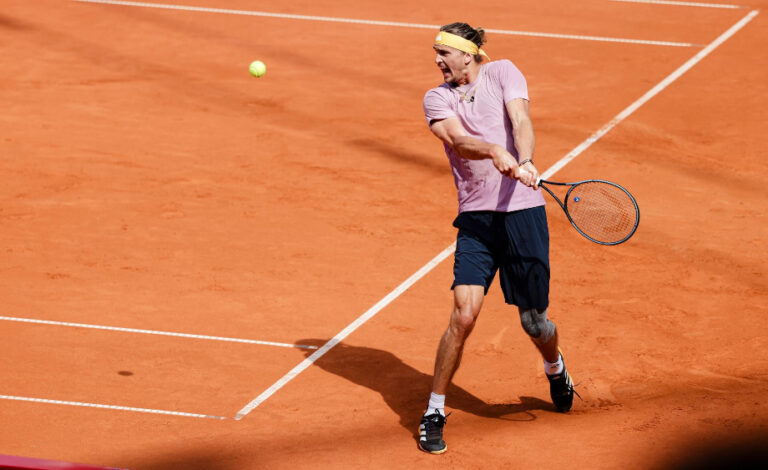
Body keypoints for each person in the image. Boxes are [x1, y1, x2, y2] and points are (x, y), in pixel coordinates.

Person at [418, 22, 577, 455]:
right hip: (477, 220)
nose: (436, 61)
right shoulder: (438, 97)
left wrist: (523, 158)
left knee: (534, 322)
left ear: (466, 55)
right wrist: (494, 151)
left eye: (442, 53)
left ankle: (555, 366)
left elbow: (521, 119)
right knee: (463, 315)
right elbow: (456, 139)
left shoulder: (505, 72)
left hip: (523, 216)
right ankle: (434, 410)